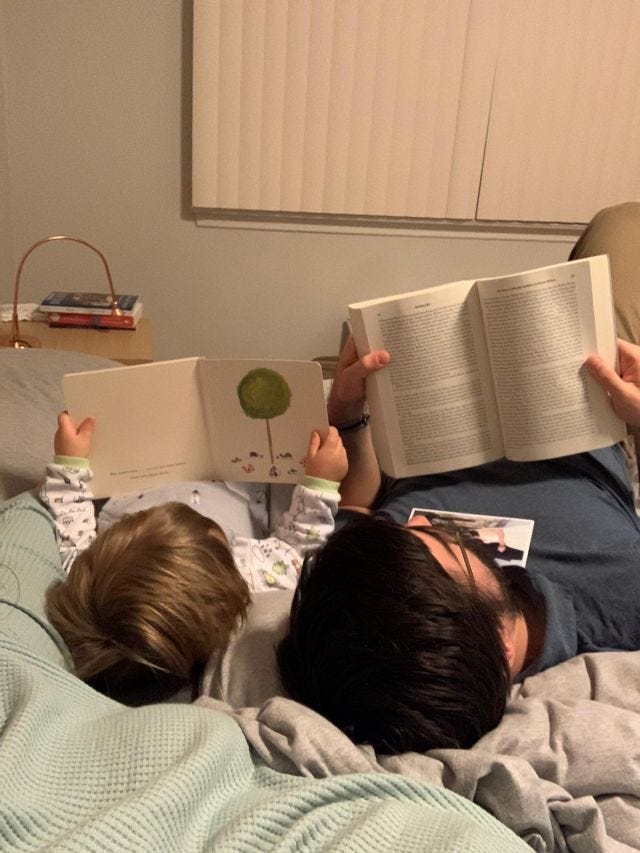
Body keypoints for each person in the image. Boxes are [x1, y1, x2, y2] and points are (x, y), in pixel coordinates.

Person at [278, 201, 640, 755]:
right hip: (589, 411)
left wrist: (348, 415)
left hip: (430, 425)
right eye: (445, 547)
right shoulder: (622, 601)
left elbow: (358, 500)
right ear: (502, 642)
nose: (418, 526)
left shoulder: (366, 594)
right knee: (622, 226)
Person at [41, 412, 347, 702]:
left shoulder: (88, 581)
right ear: (229, 587)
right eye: (222, 543)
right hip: (236, 480)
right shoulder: (254, 577)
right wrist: (320, 485)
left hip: (146, 472)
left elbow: (70, 520)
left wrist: (70, 463)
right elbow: (299, 547)